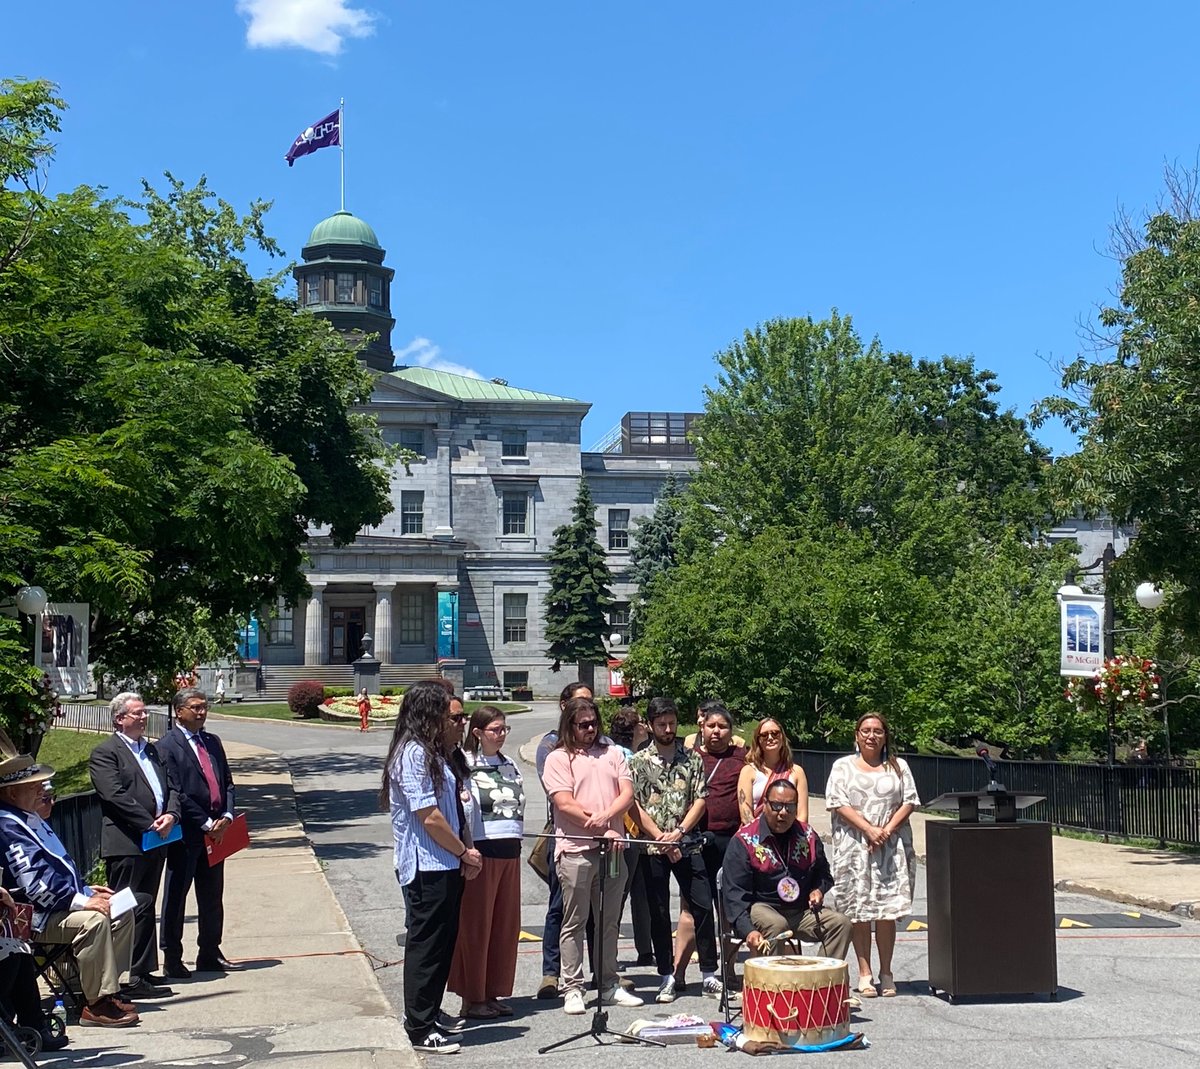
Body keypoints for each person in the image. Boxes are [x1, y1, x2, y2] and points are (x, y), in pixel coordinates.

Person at [0, 740, 142, 1027]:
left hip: (58, 905)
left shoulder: (28, 818)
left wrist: (88, 890)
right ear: (12, 792)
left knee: (122, 911)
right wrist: (82, 901)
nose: (41, 790)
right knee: (93, 920)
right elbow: (35, 883)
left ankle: (110, 988)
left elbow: (59, 865)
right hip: (34, 917)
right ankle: (96, 1004)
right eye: (32, 786)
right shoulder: (7, 825)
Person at [383, 679, 481, 1055]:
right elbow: (429, 816)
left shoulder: (437, 753)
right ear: (428, 713)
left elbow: (456, 809)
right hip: (426, 864)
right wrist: (462, 852)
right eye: (445, 711)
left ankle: (429, 1011)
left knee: (443, 943)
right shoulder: (412, 754)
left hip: (446, 862)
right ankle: (419, 1027)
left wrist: (464, 851)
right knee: (425, 947)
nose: (452, 718)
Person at [542, 696, 644, 1016]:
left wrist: (608, 819)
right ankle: (572, 986)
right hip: (576, 851)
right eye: (583, 724)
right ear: (569, 725)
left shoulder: (613, 753)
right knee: (575, 920)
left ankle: (609, 982)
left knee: (608, 921)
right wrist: (598, 824)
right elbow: (563, 802)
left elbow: (627, 793)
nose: (590, 729)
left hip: (613, 849)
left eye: (594, 723)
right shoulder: (558, 757)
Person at [629, 696, 721, 1003]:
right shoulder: (638, 762)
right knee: (658, 912)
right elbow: (634, 805)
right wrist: (659, 837)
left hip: (688, 844)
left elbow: (700, 799)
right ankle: (667, 975)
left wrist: (679, 833)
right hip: (653, 848)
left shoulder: (692, 759)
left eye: (672, 723)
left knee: (702, 905)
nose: (668, 729)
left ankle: (708, 972)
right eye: (661, 724)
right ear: (651, 725)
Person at [88, 692, 180, 997]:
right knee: (127, 909)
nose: (143, 718)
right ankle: (124, 977)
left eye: (145, 713)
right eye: (137, 714)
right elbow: (114, 796)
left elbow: (171, 788)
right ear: (119, 719)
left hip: (157, 840)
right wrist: (148, 822)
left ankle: (142, 970)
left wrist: (171, 815)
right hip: (126, 842)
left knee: (146, 905)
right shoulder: (106, 753)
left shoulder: (152, 751)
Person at [825, 712, 919, 999]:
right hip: (855, 847)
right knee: (859, 911)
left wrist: (886, 830)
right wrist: (868, 829)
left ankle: (886, 972)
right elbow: (836, 801)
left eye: (877, 731)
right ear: (856, 736)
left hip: (890, 847)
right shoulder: (842, 767)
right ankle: (864, 973)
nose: (871, 735)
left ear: (885, 736)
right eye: (865, 730)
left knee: (887, 912)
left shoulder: (898, 766)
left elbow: (910, 800)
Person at [722, 779, 853, 969]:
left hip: (801, 911)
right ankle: (774, 990)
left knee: (841, 924)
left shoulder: (808, 836)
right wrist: (747, 930)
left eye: (790, 807)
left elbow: (824, 874)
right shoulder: (745, 840)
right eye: (776, 805)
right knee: (776, 924)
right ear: (765, 804)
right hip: (762, 908)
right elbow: (734, 895)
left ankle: (817, 984)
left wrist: (818, 890)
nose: (783, 813)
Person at [448, 707, 524, 1019]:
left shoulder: (510, 764)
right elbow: (462, 810)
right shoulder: (465, 764)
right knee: (477, 928)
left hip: (511, 851)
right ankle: (472, 997)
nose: (502, 734)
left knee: (504, 928)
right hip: (483, 851)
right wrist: (466, 850)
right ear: (477, 732)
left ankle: (493, 991)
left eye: (504, 728)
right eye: (495, 729)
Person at [157, 687, 239, 978]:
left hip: (218, 834)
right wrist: (205, 823)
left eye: (204, 706)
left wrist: (227, 816)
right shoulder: (167, 745)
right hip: (188, 834)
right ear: (179, 711)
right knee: (177, 896)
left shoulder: (212, 742)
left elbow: (227, 782)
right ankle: (172, 956)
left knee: (212, 895)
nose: (202, 712)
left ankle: (210, 951)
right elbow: (176, 791)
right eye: (195, 707)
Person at [675, 701, 746, 989]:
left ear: (731, 731)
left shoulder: (742, 757)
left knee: (728, 910)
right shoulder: (688, 758)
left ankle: (727, 971)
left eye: (723, 726)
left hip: (730, 840)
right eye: (711, 726)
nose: (716, 731)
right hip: (696, 840)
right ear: (701, 728)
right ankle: (677, 974)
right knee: (691, 908)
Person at [533, 680, 593, 1000]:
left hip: (597, 837)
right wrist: (593, 812)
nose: (587, 712)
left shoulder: (599, 744)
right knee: (561, 905)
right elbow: (558, 793)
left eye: (590, 705)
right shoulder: (550, 747)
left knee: (597, 908)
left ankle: (601, 970)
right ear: (563, 707)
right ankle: (551, 973)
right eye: (579, 704)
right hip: (566, 834)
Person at [608, 707, 653, 967]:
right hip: (628, 833)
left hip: (633, 833)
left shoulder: (629, 753)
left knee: (635, 891)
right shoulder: (625, 757)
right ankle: (618, 954)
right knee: (623, 893)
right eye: (641, 723)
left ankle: (643, 949)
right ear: (633, 728)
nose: (645, 727)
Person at [737, 718, 809, 825]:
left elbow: (802, 816)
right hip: (756, 836)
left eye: (775, 733)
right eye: (764, 735)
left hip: (788, 835)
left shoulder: (797, 772)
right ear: (758, 740)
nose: (770, 738)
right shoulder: (748, 771)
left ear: (782, 737)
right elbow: (745, 814)